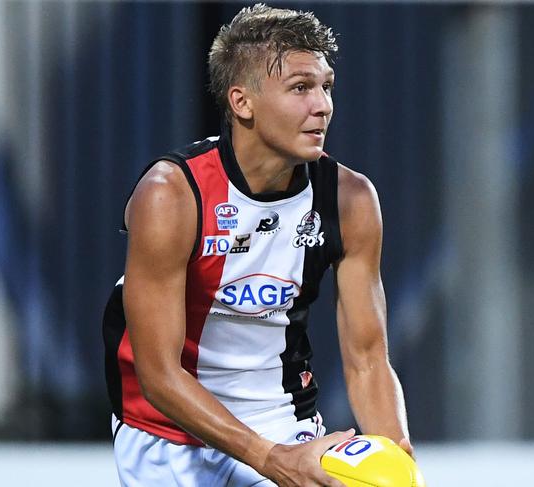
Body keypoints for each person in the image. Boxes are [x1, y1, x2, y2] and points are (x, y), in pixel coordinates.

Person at [103, 4, 412, 486]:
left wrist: (396, 459)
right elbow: (159, 375)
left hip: (284, 422)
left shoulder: (350, 199)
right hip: (166, 434)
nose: (323, 105)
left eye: (326, 86)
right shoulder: (172, 195)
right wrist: (267, 459)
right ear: (242, 102)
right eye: (300, 88)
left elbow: (369, 358)